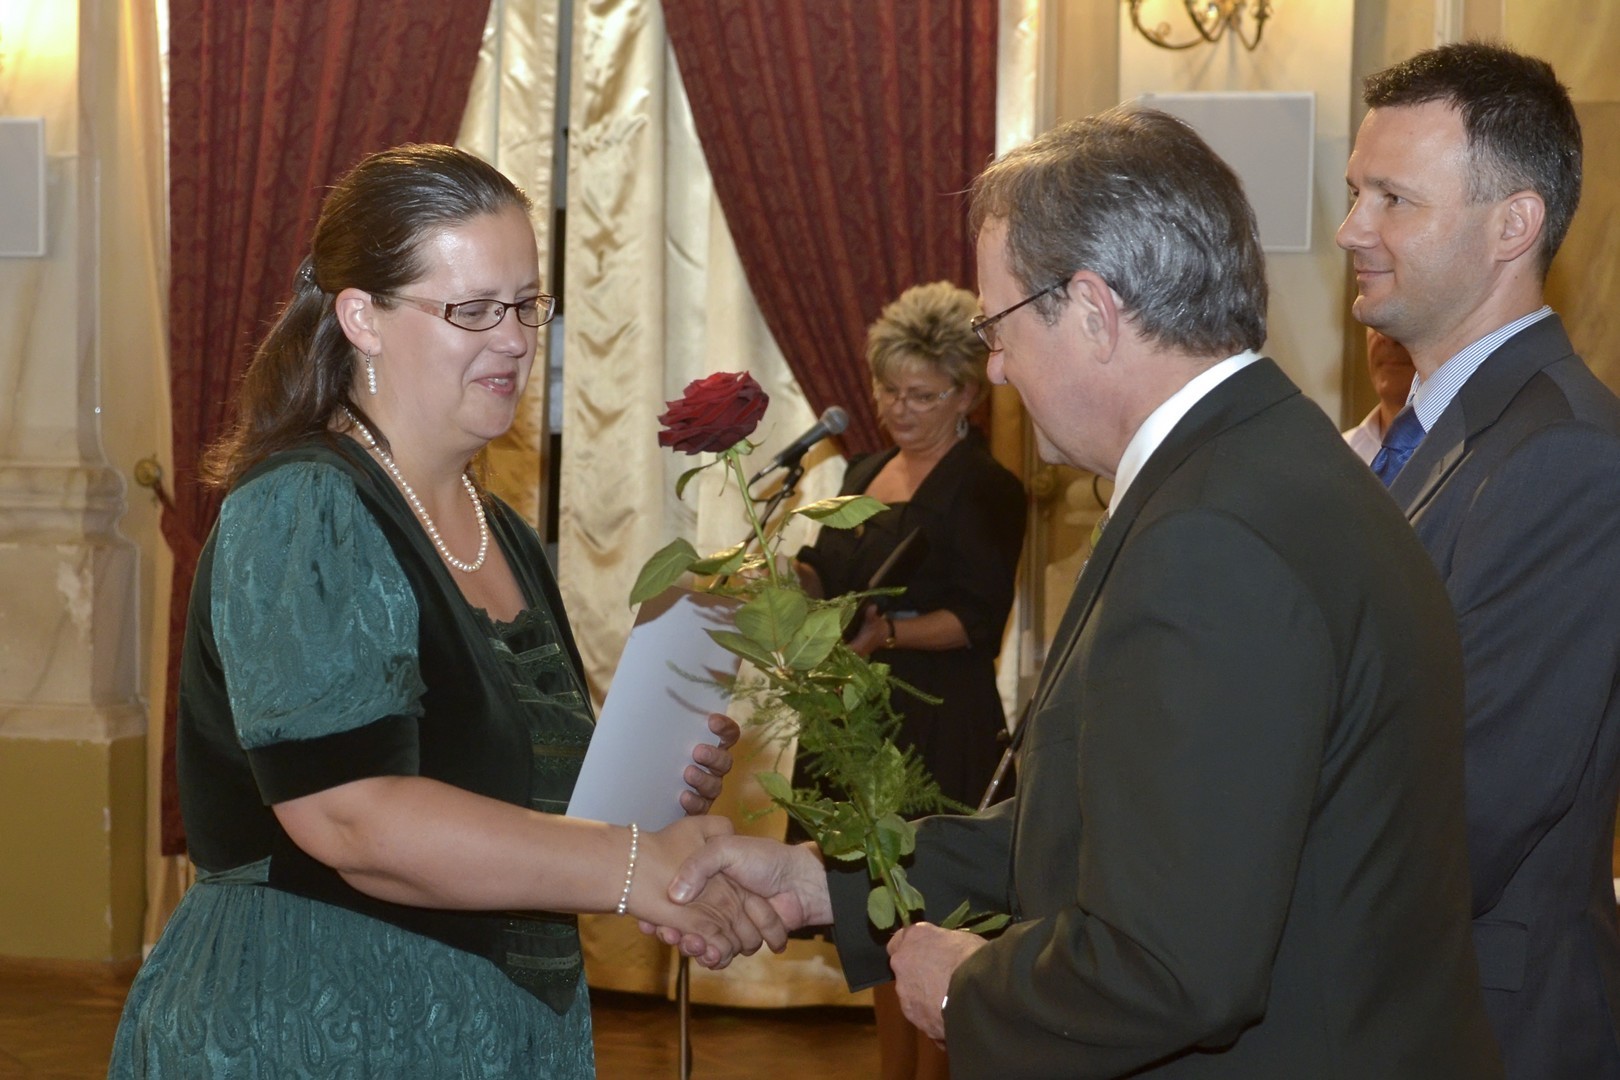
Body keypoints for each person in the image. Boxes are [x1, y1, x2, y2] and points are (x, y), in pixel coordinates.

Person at [661, 106, 1501, 1078]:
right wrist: (821, 882)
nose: (998, 367)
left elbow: (1172, 965)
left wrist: (968, 990)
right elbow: (1108, 829)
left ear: (1094, 310)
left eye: (999, 327)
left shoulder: (1213, 536)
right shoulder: (1265, 463)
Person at [110, 144, 780, 1078]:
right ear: (361, 318)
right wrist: (637, 864)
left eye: (527, 304)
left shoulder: (503, 535)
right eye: (472, 309)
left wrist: (651, 795)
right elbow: (352, 818)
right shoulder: (304, 507)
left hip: (497, 1024)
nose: (515, 339)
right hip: (313, 1019)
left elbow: (503, 798)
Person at [1338, 41, 1620, 1079]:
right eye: (1355, 193)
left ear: (1514, 224)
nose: (1350, 228)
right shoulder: (1435, 436)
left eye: (1393, 199)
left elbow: (1466, 819)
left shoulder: (1567, 457)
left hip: (1487, 1030)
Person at [791, 281, 1025, 1080]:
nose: (899, 408)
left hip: (938, 724)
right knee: (874, 922)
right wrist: (788, 581)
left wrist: (884, 634)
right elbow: (827, 573)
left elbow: (977, 619)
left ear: (966, 394)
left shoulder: (987, 487)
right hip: (858, 724)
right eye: (889, 390)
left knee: (932, 920)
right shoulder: (861, 471)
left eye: (921, 395)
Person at [1342, 327, 1416, 464]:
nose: (1386, 337)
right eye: (1375, 323)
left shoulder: (1457, 456)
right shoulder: (1334, 459)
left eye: (1402, 320)